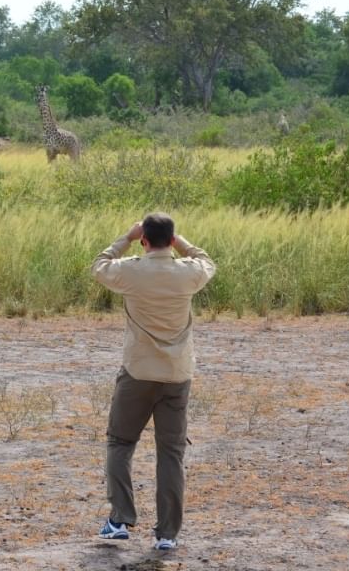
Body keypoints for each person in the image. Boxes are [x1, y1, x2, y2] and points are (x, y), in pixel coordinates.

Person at [90, 212, 216, 551]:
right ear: (171, 240)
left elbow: (99, 266)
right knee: (171, 454)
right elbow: (206, 261)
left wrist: (126, 238)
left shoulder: (131, 271)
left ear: (144, 240)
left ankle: (120, 518)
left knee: (120, 443)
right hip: (176, 375)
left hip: (137, 372)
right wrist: (181, 243)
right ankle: (167, 534)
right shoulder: (188, 274)